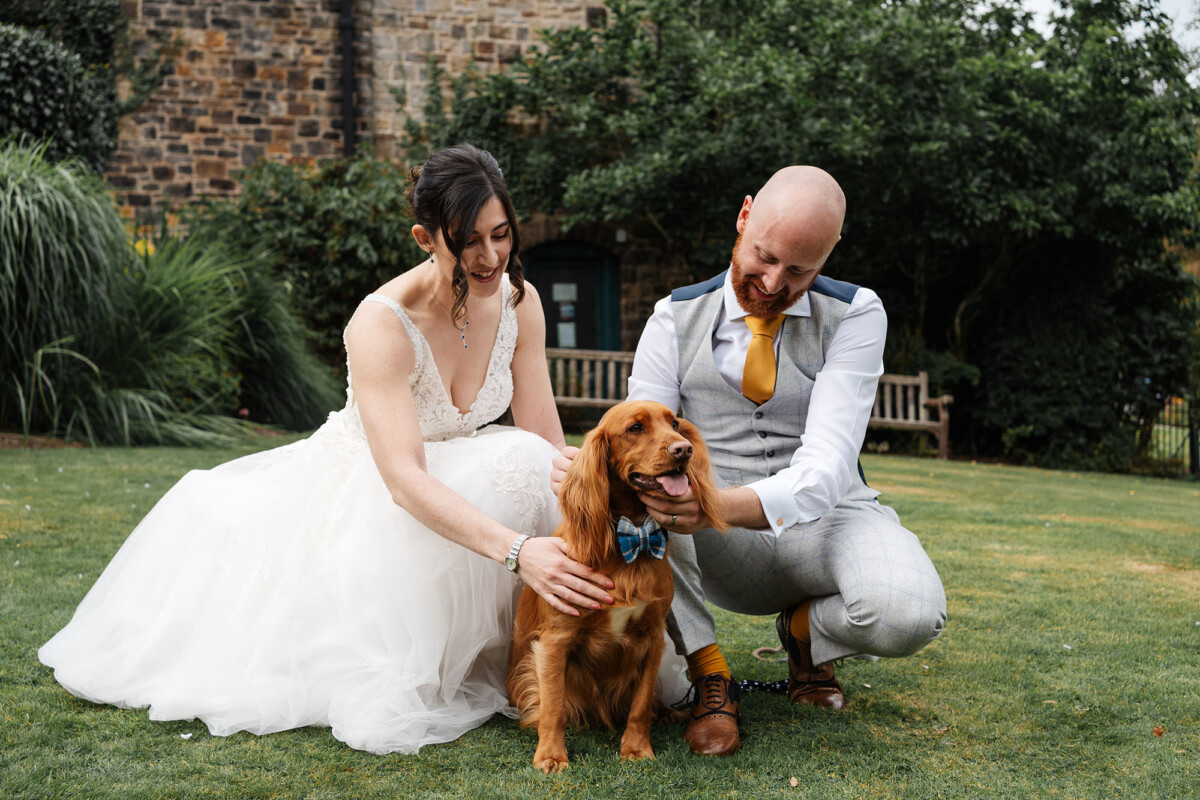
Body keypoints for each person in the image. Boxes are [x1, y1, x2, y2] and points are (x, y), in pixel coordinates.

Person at [38, 144, 620, 755]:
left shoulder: (520, 301)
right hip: (379, 486)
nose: (490, 257)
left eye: (501, 235)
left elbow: (547, 443)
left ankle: (565, 647)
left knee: (526, 461)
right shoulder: (382, 322)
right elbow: (403, 480)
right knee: (492, 477)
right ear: (425, 238)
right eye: (467, 241)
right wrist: (520, 552)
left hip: (465, 469)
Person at [553, 166, 947, 757]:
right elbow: (639, 448)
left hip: (829, 522)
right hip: (712, 548)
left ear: (829, 254)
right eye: (764, 257)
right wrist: (596, 475)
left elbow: (828, 466)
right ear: (743, 217)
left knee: (910, 614)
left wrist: (714, 504)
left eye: (799, 271)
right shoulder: (672, 318)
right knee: (651, 503)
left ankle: (804, 633)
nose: (772, 282)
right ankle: (711, 676)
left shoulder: (857, 313)